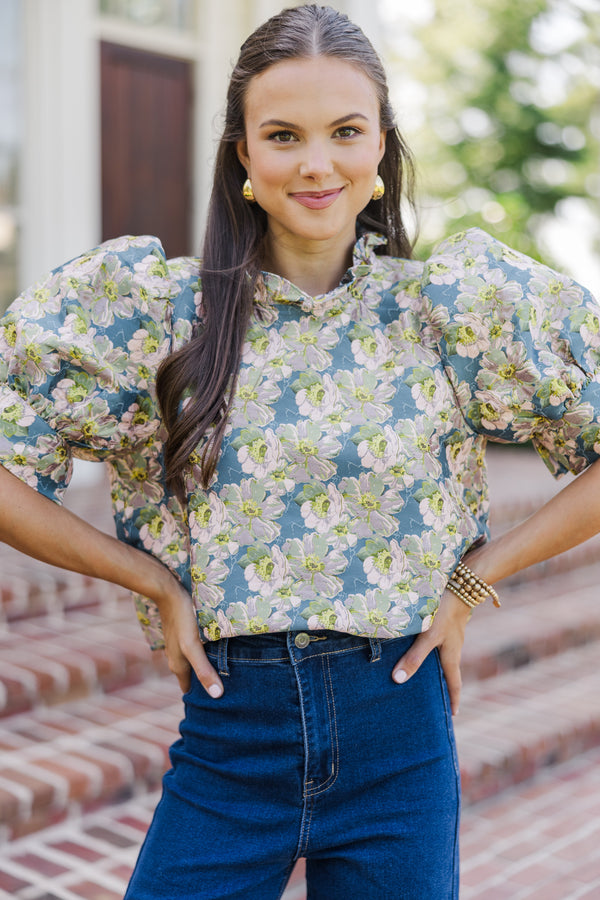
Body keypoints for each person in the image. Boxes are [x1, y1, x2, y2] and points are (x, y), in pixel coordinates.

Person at [1, 4, 600, 898]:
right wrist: (151, 581)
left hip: (398, 736)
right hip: (227, 741)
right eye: (283, 135)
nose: (317, 163)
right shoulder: (153, 314)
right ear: (243, 155)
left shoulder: (456, 309)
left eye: (345, 132)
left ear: (382, 148)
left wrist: (472, 581)